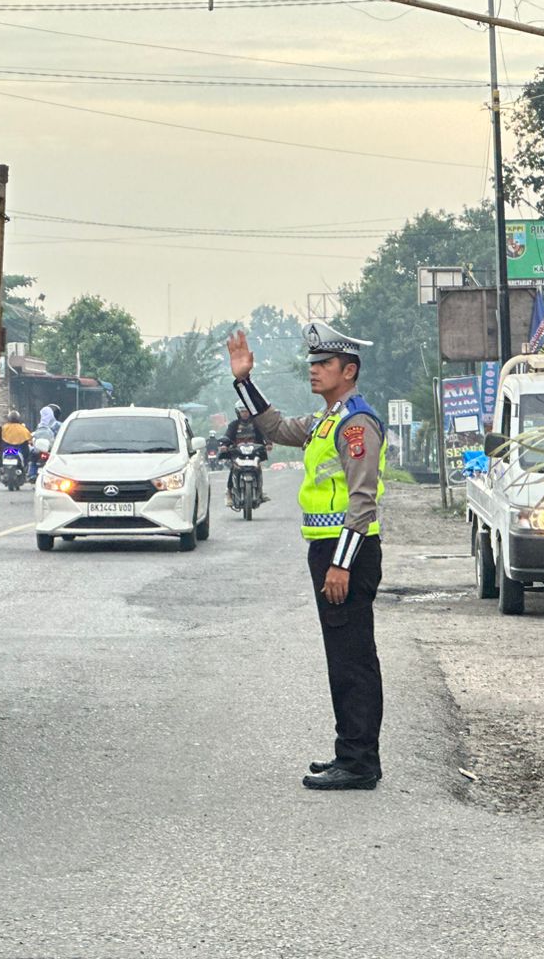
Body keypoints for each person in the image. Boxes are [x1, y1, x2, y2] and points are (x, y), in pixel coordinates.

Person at [227, 322, 387, 790]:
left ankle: (359, 762)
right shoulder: (326, 420)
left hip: (348, 555)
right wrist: (245, 380)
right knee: (342, 657)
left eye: (324, 364)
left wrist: (340, 563)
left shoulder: (356, 423)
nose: (314, 371)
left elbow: (362, 501)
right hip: (331, 552)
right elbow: (275, 426)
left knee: (353, 659)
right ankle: (350, 753)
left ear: (349, 370)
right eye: (312, 364)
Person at [220, 401, 269, 508]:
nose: (245, 414)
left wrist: (268, 443)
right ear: (238, 412)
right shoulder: (234, 425)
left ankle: (260, 490)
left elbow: (264, 435)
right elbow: (227, 436)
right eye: (242, 411)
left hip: (254, 453)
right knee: (233, 468)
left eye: (246, 411)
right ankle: (229, 492)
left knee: (258, 467)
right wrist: (224, 445)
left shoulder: (256, 424)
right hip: (238, 453)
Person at [1, 410, 33, 476]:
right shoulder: (22, 428)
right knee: (26, 452)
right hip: (19, 449)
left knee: (0, 451)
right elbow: (29, 438)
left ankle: (0, 466)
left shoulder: (4, 427)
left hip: (7, 448)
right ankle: (25, 466)